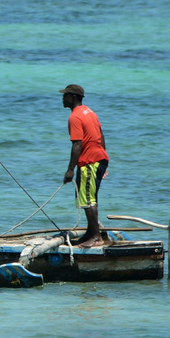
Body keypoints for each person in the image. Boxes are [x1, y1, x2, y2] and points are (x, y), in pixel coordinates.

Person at [59, 83, 109, 246]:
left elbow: (77, 144)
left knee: (88, 200)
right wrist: (103, 161)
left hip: (89, 161)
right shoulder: (89, 112)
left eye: (65, 95)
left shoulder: (75, 117)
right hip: (99, 159)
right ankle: (90, 232)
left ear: (72, 97)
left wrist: (70, 170)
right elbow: (101, 136)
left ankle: (96, 237)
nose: (62, 98)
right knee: (88, 197)